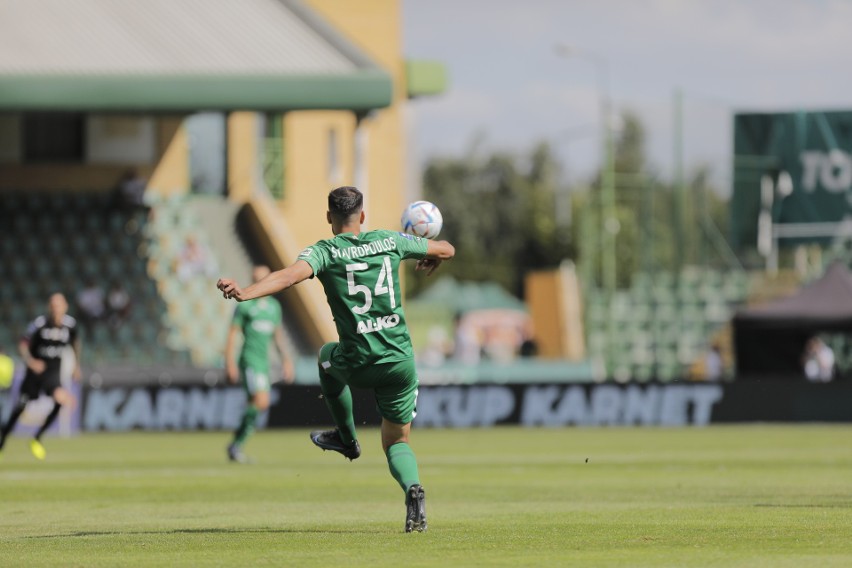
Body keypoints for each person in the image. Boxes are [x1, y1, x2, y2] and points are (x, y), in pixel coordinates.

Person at [217, 186, 455, 533]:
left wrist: (245, 292)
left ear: (329, 218)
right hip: (400, 362)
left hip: (359, 360)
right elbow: (447, 248)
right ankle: (413, 489)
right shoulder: (392, 241)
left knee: (327, 356)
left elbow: (286, 277)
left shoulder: (324, 252)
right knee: (397, 442)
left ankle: (346, 437)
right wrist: (432, 254)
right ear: (363, 216)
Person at [225, 265, 295, 463]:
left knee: (255, 404)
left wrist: (287, 360)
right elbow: (232, 335)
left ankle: (236, 445)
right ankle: (236, 443)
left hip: (263, 362)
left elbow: (278, 336)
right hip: (249, 360)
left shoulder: (274, 307)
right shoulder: (245, 306)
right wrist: (229, 363)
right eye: (256, 278)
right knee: (261, 401)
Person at [0, 293, 81, 460]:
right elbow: (23, 343)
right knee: (19, 409)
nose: (56, 308)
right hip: (34, 374)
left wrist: (76, 365)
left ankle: (37, 438)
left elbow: (75, 343)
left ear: (65, 307)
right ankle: (2, 440)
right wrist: (30, 361)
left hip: (52, 373)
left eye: (59, 305)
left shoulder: (70, 326)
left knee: (61, 400)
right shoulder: (40, 324)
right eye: (53, 305)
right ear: (49, 307)